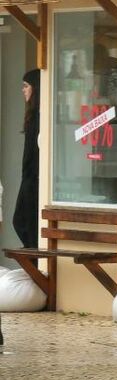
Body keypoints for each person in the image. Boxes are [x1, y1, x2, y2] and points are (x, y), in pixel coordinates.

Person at [13, 69, 40, 251]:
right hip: (29, 176)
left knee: (25, 221)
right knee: (20, 220)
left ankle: (34, 261)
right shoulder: (32, 116)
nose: (23, 90)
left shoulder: (39, 116)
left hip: (34, 178)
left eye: (26, 86)